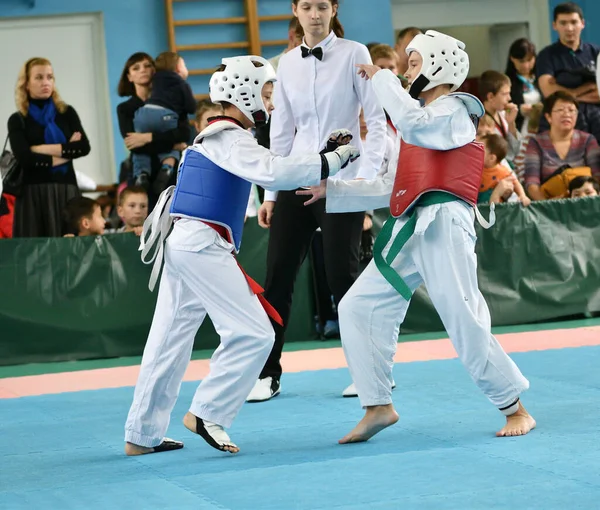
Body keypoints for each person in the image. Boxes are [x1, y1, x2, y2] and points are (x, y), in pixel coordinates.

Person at [299, 30, 535, 442]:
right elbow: (393, 186)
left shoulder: (455, 112)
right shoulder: (417, 124)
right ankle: (377, 405)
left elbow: (412, 119)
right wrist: (333, 189)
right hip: (411, 227)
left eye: (413, 62)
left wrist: (382, 77)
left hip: (444, 225)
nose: (406, 72)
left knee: (462, 317)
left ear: (439, 64)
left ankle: (515, 406)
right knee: (356, 305)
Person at [123, 55, 360, 456]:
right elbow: (277, 173)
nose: (270, 104)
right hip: (200, 246)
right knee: (255, 332)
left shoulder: (225, 137)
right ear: (244, 93)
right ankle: (208, 412)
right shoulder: (228, 137)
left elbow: (276, 165)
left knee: (168, 341)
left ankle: (141, 434)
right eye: (266, 94)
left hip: (187, 244)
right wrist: (334, 160)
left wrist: (323, 152)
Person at [248, 0, 387, 402]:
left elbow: (376, 122)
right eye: (306, 6)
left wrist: (362, 180)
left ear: (334, 9)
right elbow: (282, 131)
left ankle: (372, 372)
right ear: (294, 10)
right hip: (296, 177)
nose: (314, 14)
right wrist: (271, 193)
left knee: (344, 278)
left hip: (344, 179)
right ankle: (267, 373)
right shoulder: (286, 63)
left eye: (321, 6)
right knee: (276, 276)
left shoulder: (355, 53)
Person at [8, 57, 90, 237]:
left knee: (68, 248)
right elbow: (25, 158)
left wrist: (40, 149)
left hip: (66, 189)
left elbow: (84, 147)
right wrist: (67, 150)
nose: (45, 82)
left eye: (50, 77)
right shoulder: (18, 119)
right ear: (26, 84)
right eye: (38, 77)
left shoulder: (67, 113)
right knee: (35, 252)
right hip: (33, 193)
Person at [116, 52, 188, 203]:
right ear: (129, 76)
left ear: (155, 71)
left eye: (147, 66)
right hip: (141, 175)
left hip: (171, 174)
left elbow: (183, 134)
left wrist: (147, 137)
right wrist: (172, 144)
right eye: (136, 68)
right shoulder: (125, 108)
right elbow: (134, 145)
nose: (143, 70)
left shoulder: (171, 101)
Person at [132, 52, 196, 195]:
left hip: (143, 113)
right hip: (165, 115)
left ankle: (141, 173)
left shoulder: (155, 79)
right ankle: (167, 168)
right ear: (179, 68)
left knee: (139, 144)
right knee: (173, 142)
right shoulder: (180, 82)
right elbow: (191, 107)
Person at [536, 2, 600, 141]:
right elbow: (549, 92)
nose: (569, 28)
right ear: (555, 25)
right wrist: (588, 88)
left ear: (582, 23)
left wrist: (564, 90)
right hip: (561, 125)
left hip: (596, 121)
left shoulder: (596, 52)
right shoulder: (546, 56)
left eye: (573, 22)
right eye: (563, 23)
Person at [524, 91, 600, 200]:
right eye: (560, 110)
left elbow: (597, 177)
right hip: (550, 206)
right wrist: (548, 206)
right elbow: (531, 183)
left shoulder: (588, 140)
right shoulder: (536, 142)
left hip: (585, 204)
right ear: (548, 117)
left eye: (571, 110)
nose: (567, 114)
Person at [479, 134, 531, 206]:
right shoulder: (475, 167)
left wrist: (522, 196)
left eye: (479, 149)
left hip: (495, 208)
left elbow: (516, 183)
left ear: (491, 158)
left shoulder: (502, 171)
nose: (475, 150)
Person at [505, 38, 542, 134]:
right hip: (520, 129)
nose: (526, 65)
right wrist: (519, 110)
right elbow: (503, 108)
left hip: (543, 127)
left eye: (529, 60)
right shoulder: (506, 82)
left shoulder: (541, 77)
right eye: (521, 61)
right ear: (512, 59)